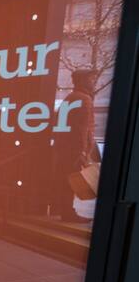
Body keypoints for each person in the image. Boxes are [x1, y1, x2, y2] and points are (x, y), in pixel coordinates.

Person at [53, 69, 100, 222]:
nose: (93, 83)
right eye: (91, 80)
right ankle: (68, 213)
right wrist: (83, 151)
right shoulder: (85, 99)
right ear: (82, 81)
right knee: (71, 181)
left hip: (63, 148)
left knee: (65, 180)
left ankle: (65, 211)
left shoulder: (69, 98)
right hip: (74, 150)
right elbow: (83, 129)